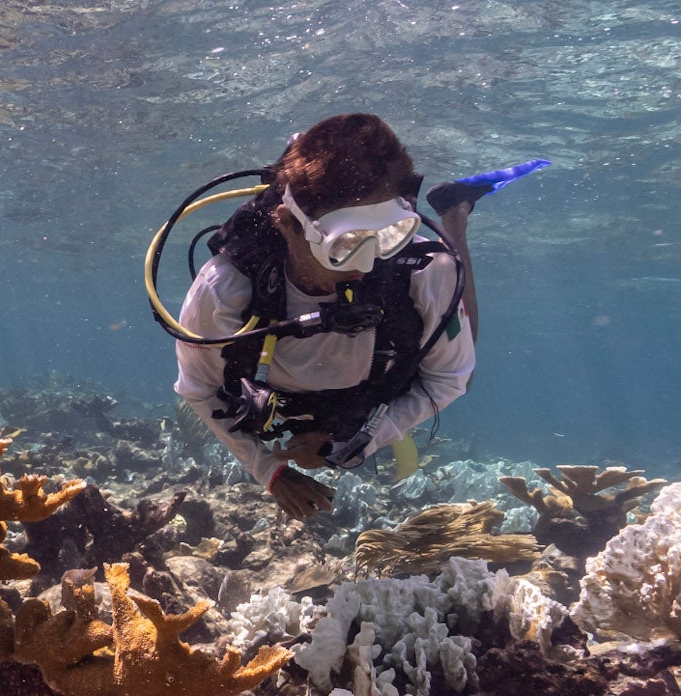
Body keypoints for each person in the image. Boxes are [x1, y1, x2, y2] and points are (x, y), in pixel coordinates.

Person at [173, 113, 482, 521]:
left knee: (467, 361)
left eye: (391, 236)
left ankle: (454, 215)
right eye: (347, 243)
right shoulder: (224, 289)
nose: (371, 262)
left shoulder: (427, 270)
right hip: (288, 394)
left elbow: (449, 379)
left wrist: (357, 441)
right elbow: (198, 389)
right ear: (288, 225)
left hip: (372, 391)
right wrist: (270, 470)